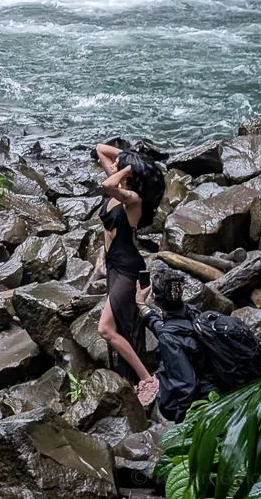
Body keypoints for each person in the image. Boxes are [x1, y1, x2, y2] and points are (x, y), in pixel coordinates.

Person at [94, 142, 164, 404]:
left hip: (126, 268)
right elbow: (100, 148)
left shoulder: (132, 199)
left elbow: (107, 186)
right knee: (122, 321)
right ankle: (134, 374)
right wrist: (127, 160)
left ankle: (147, 378)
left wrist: (124, 169)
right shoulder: (121, 189)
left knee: (105, 328)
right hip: (114, 264)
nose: (112, 167)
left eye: (119, 168)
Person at [136, 268, 218, 422]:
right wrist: (142, 307)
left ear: (154, 298)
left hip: (205, 403)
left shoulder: (169, 338)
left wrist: (182, 422)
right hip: (216, 385)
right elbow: (168, 329)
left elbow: (187, 387)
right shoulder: (193, 313)